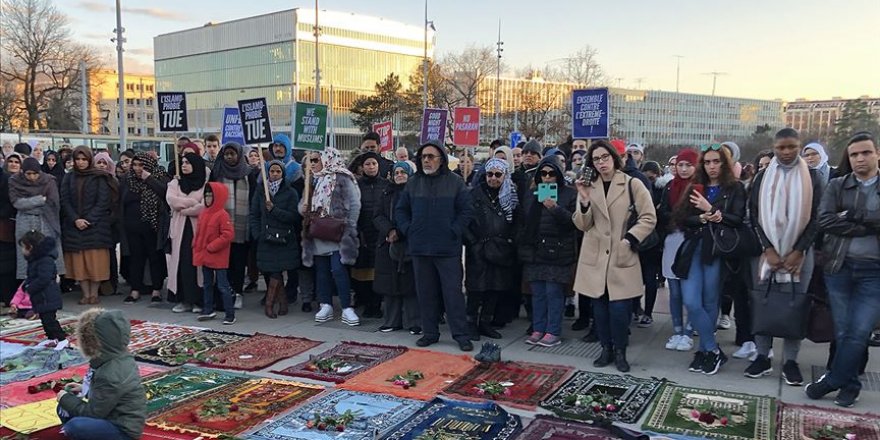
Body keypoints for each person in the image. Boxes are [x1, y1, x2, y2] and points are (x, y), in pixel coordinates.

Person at [808, 131, 880, 408]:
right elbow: (825, 220)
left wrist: (853, 216)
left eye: (866, 152)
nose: (860, 158)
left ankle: (833, 379)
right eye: (854, 154)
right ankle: (850, 385)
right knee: (842, 331)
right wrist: (867, 226)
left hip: (873, 272)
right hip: (839, 267)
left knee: (860, 331)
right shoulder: (838, 185)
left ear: (876, 154)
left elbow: (840, 220)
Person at [573, 141, 656, 372]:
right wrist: (584, 200)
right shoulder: (590, 185)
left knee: (619, 310)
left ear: (614, 158)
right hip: (596, 255)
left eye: (605, 157)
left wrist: (629, 239)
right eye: (596, 159)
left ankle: (620, 351)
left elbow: (649, 217)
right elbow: (582, 224)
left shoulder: (632, 183)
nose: (601, 163)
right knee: (599, 309)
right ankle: (605, 348)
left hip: (622, 253)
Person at [747, 128, 821, 385]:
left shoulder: (812, 176)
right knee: (764, 301)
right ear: (774, 148)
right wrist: (768, 249)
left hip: (800, 255)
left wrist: (798, 251)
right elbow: (754, 215)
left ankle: (790, 361)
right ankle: (762, 356)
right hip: (767, 254)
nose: (786, 152)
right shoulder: (762, 177)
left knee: (794, 305)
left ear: (799, 147)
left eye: (791, 147)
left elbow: (817, 218)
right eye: (781, 147)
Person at [672, 144, 747, 375]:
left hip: (717, 249)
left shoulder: (734, 187)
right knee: (691, 300)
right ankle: (713, 350)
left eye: (716, 161)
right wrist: (703, 217)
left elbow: (737, 220)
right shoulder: (696, 186)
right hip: (694, 247)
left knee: (710, 301)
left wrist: (711, 210)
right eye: (707, 162)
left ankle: (705, 351)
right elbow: (681, 218)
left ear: (724, 164)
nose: (712, 166)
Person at [396, 140, 474, 351]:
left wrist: (454, 229)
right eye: (423, 157)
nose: (426, 160)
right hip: (420, 248)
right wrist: (409, 229)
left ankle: (461, 334)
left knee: (453, 294)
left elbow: (466, 211)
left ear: (442, 159)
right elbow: (401, 210)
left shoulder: (455, 182)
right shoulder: (413, 183)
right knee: (425, 293)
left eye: (431, 156)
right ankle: (430, 332)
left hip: (447, 249)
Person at [56, 308, 146, 440]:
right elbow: (107, 396)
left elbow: (93, 413)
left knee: (75, 426)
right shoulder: (118, 357)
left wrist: (65, 398)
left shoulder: (111, 372)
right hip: (113, 416)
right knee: (64, 408)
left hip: (122, 429)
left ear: (93, 341)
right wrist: (85, 389)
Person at [301, 147, 362, 325]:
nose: (312, 164)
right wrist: (303, 207)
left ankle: (346, 307)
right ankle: (325, 304)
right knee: (321, 271)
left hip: (338, 231)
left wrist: (349, 227)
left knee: (338, 269)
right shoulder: (314, 179)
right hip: (319, 230)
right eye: (310, 160)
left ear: (327, 159)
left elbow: (354, 204)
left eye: (315, 160)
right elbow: (305, 204)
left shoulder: (343, 177)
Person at [464, 158, 519, 341]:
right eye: (490, 174)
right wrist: (473, 242)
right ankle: (470, 323)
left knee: (495, 288)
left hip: (501, 249)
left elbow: (517, 222)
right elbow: (464, 220)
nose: (493, 178)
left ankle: (485, 323)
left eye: (497, 174)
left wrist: (510, 241)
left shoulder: (511, 196)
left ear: (504, 176)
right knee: (476, 289)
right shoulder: (473, 194)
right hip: (479, 248)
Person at [60, 146, 117, 305]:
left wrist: (89, 220)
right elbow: (64, 200)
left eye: (84, 159)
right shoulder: (68, 177)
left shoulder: (99, 177)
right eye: (78, 159)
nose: (81, 162)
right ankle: (85, 294)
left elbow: (103, 201)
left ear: (89, 160)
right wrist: (75, 219)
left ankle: (94, 294)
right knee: (80, 263)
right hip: (74, 226)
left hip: (96, 227)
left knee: (95, 262)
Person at [658, 149, 699, 351]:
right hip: (672, 240)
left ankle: (689, 332)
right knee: (674, 291)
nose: (683, 169)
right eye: (680, 165)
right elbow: (663, 212)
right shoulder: (669, 186)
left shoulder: (700, 187)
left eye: (688, 165)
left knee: (690, 292)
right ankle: (677, 331)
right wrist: (674, 219)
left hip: (691, 242)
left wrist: (682, 219)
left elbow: (699, 217)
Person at [250, 160, 302, 318]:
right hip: (266, 238)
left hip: (284, 238)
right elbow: (254, 214)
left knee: (276, 272)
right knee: (273, 271)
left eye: (278, 171)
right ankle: (282, 301)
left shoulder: (290, 192)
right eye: (272, 171)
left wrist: (274, 210)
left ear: (283, 174)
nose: (274, 174)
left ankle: (270, 303)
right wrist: (257, 234)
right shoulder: (261, 190)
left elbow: (293, 217)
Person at [209, 142, 258, 308]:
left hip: (241, 228)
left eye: (232, 154)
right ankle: (222, 294)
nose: (229, 157)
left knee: (238, 262)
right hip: (221, 227)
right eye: (226, 154)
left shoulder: (248, 173)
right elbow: (210, 196)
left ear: (239, 155)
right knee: (222, 263)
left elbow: (253, 199)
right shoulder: (217, 172)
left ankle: (237, 292)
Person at [373, 161, 420, 333]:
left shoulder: (416, 193)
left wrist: (401, 231)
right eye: (396, 172)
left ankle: (414, 322)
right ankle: (392, 321)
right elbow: (377, 215)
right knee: (390, 285)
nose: (399, 175)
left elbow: (418, 216)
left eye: (403, 172)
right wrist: (389, 230)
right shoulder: (386, 192)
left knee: (411, 286)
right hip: (388, 244)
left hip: (409, 243)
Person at [121, 153, 170, 304]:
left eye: (141, 165)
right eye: (135, 165)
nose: (137, 168)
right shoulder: (128, 180)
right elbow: (122, 201)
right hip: (132, 226)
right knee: (136, 258)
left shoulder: (159, 177)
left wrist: (148, 178)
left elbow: (165, 193)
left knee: (155, 258)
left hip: (153, 226)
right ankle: (135, 290)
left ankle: (156, 290)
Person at [9, 157, 65, 282]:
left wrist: (29, 203)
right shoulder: (15, 181)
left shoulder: (49, 180)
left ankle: (50, 283)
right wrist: (39, 200)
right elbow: (17, 203)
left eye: (35, 173)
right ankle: (28, 285)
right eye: (28, 174)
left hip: (46, 219)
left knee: (47, 253)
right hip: (25, 221)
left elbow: (53, 202)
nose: (32, 177)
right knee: (26, 252)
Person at [167, 153, 207, 314]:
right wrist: (192, 203)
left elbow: (204, 206)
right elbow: (171, 200)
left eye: (188, 163)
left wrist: (185, 209)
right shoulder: (175, 183)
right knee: (182, 263)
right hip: (180, 230)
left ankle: (197, 300)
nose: (184, 165)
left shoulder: (205, 184)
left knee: (196, 264)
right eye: (182, 162)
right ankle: (184, 300)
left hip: (197, 229)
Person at [351, 151, 388, 318]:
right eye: (367, 164)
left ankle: (376, 305)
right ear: (362, 167)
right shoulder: (356, 185)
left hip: (381, 233)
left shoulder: (386, 185)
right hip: (362, 233)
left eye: (374, 163)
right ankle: (366, 303)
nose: (371, 167)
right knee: (363, 272)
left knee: (378, 272)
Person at [193, 182, 236, 324]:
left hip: (217, 256)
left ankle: (230, 314)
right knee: (207, 284)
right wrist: (195, 244)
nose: (208, 198)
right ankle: (208, 309)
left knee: (222, 285)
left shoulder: (222, 215)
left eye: (211, 196)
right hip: (205, 254)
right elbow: (199, 233)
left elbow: (228, 235)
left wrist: (213, 246)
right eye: (206, 195)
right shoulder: (204, 213)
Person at [18, 231, 67, 348]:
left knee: (50, 320)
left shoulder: (45, 260)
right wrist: (26, 285)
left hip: (48, 296)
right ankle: (52, 338)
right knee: (45, 320)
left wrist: (30, 288)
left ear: (31, 247)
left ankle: (62, 339)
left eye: (23, 247)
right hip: (41, 297)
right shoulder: (34, 260)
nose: (22, 250)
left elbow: (44, 278)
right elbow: (32, 276)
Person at [1, 155, 21, 305]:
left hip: (6, 226)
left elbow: (11, 202)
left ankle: (9, 298)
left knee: (7, 265)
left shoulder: (7, 179)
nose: (13, 164)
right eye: (11, 161)